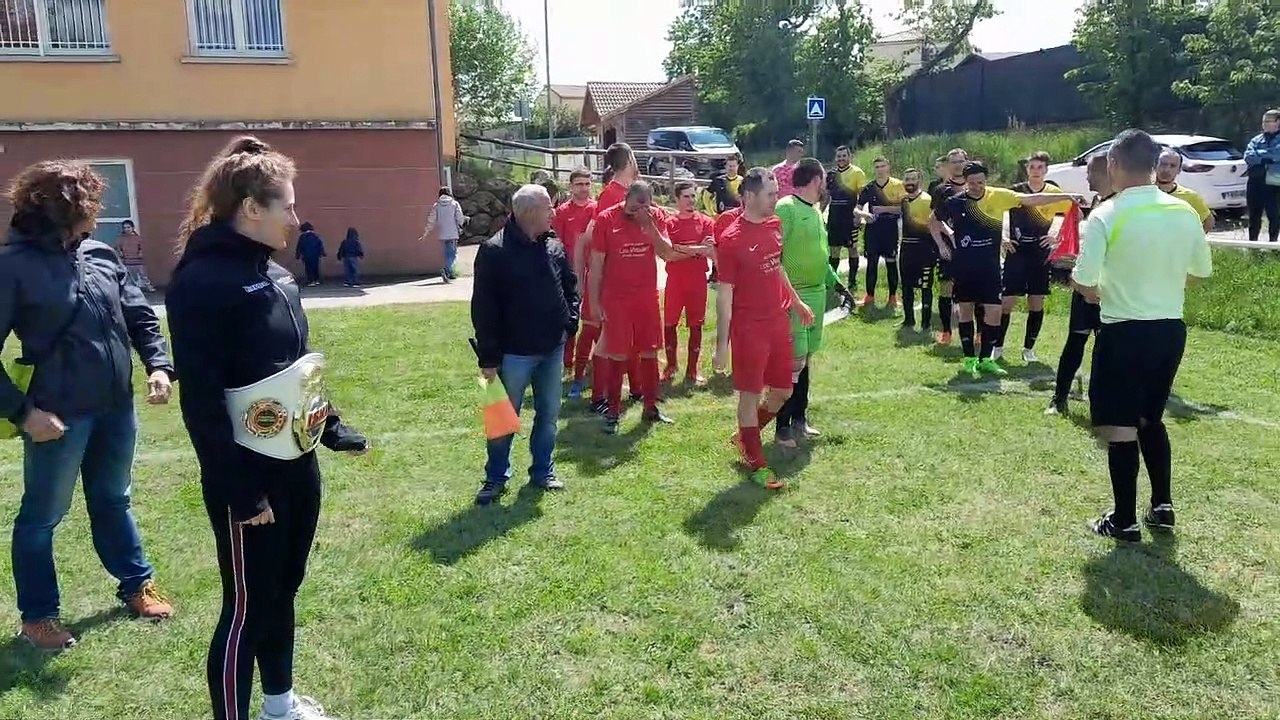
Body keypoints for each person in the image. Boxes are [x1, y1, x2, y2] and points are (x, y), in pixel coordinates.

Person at [166, 136, 369, 720]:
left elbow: (294, 373)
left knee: (283, 590)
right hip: (246, 477)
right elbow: (201, 403)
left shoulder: (277, 277)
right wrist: (239, 491)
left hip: (296, 466)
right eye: (287, 205)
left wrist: (329, 426)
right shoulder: (201, 283)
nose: (297, 217)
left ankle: (280, 704)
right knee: (247, 605)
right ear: (252, 208)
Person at [0, 159, 176, 651]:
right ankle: (38, 616)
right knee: (42, 517)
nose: (98, 216)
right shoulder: (11, 267)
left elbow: (139, 314)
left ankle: (137, 584)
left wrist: (158, 365)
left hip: (116, 407)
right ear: (65, 210)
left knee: (113, 498)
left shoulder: (101, 254)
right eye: (91, 205)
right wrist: (23, 414)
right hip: (56, 418)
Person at [1071, 129, 1212, 542]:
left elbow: (1084, 279)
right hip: (1170, 330)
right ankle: (1163, 505)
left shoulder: (1108, 214)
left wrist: (1104, 289)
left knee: (1119, 426)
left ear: (1113, 164)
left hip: (1123, 331)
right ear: (1154, 165)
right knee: (1151, 416)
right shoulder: (1184, 212)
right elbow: (1199, 274)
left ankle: (1125, 520)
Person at [471, 184, 578, 504]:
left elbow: (570, 285)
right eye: (549, 207)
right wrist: (488, 359)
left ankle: (543, 471)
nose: (554, 212)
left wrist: (570, 321)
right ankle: (495, 477)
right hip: (513, 353)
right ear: (531, 213)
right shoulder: (494, 251)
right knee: (502, 417)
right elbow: (483, 308)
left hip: (552, 348)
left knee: (548, 416)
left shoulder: (554, 245)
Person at [713, 168, 815, 490]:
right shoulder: (731, 240)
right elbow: (724, 297)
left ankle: (746, 436)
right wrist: (721, 345)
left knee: (783, 390)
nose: (776, 198)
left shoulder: (775, 225)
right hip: (749, 328)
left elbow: (777, 267)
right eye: (770, 194)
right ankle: (756, 461)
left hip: (777, 320)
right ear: (749, 197)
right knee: (750, 395)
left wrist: (796, 302)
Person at [932, 161, 1083, 378]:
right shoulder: (955, 202)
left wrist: (1065, 196)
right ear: (966, 182)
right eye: (973, 183)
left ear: (987, 180)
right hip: (964, 267)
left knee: (993, 311)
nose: (977, 186)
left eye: (981, 182)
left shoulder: (998, 196)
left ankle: (986, 359)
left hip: (990, 267)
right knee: (966, 311)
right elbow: (933, 221)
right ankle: (969, 359)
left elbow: (1031, 199)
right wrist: (946, 238)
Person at [589, 182, 701, 432]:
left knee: (650, 351)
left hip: (646, 296)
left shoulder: (655, 217)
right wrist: (595, 302)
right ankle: (613, 411)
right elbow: (596, 265)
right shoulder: (607, 219)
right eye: (633, 204)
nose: (637, 210)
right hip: (616, 298)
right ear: (626, 198)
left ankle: (651, 407)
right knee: (618, 353)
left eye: (643, 205)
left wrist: (649, 226)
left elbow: (668, 253)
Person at [773, 159, 852, 447]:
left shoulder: (816, 211)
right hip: (793, 297)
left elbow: (820, 255)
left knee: (806, 359)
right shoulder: (786, 208)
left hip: (817, 295)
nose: (825, 184)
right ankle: (781, 425)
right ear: (816, 179)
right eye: (823, 180)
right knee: (793, 360)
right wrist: (787, 295)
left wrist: (836, 284)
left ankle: (800, 418)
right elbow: (774, 256)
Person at [1047, 155, 1113, 416]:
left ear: (1107, 172)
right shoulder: (1098, 202)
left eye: (1090, 172)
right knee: (1075, 342)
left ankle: (1103, 402)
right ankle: (1059, 397)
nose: (1086, 177)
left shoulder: (1118, 206)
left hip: (1108, 291)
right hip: (1084, 288)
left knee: (1106, 348)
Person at [995, 151, 1073, 363]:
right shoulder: (1017, 192)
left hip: (1040, 253)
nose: (1036, 171)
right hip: (1016, 251)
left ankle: (1028, 349)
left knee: (1036, 302)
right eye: (1032, 167)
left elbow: (1066, 216)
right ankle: (998, 347)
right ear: (1026, 169)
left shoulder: (1054, 193)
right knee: (1007, 301)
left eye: (1040, 167)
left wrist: (1055, 235)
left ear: (1046, 170)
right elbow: (1002, 214)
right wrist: (1003, 237)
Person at [587, 143, 645, 414]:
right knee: (609, 340)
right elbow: (601, 240)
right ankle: (600, 395)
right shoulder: (611, 194)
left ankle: (636, 388)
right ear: (629, 161)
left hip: (633, 280)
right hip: (615, 282)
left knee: (630, 337)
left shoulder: (627, 192)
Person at [662, 180, 716, 385]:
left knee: (696, 325)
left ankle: (692, 369)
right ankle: (671, 365)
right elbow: (668, 253)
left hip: (697, 281)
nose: (691, 200)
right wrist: (696, 250)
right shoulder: (670, 224)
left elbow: (709, 251)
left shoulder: (705, 222)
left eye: (693, 196)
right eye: (686, 196)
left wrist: (681, 249)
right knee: (669, 324)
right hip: (675, 280)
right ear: (677, 199)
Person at [555, 168, 597, 398]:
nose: (583, 187)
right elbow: (557, 245)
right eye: (579, 184)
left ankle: (592, 362)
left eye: (587, 183)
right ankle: (567, 362)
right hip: (568, 274)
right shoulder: (562, 212)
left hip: (594, 275)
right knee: (569, 319)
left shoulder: (597, 209)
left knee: (593, 321)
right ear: (570, 187)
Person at [927, 148, 969, 344]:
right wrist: (942, 242)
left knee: (974, 289)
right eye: (954, 162)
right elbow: (933, 220)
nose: (958, 165)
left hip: (974, 246)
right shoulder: (941, 190)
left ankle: (977, 334)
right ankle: (946, 332)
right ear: (948, 165)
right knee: (946, 287)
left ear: (967, 162)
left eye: (961, 161)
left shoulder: (976, 186)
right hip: (949, 247)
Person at [856, 157, 906, 310]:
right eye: (877, 166)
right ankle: (869, 296)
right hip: (873, 231)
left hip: (890, 230)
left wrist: (883, 209)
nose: (879, 169)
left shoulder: (898, 185)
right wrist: (865, 216)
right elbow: (856, 208)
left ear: (888, 167)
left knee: (891, 263)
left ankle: (892, 297)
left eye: (882, 166)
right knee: (872, 264)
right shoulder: (869, 187)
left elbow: (903, 209)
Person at [898, 168, 936, 331]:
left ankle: (926, 323)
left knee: (926, 287)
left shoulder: (927, 200)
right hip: (906, 248)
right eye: (907, 179)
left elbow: (934, 225)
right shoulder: (904, 200)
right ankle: (908, 320)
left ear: (919, 181)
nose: (910, 182)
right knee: (906, 286)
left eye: (913, 179)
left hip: (924, 250)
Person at [825, 145, 867, 283]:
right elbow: (826, 196)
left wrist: (860, 216)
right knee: (834, 250)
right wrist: (820, 213)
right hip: (834, 216)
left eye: (844, 156)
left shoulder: (857, 172)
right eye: (839, 156)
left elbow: (863, 197)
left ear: (850, 157)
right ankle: (834, 282)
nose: (841, 159)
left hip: (850, 216)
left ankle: (852, 281)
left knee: (852, 249)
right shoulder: (831, 174)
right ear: (835, 158)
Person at [699, 152, 743, 285]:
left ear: (737, 166)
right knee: (718, 245)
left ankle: (737, 272)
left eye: (734, 166)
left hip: (738, 219)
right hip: (721, 219)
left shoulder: (742, 181)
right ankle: (715, 273)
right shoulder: (718, 181)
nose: (731, 168)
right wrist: (711, 212)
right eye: (729, 166)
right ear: (726, 166)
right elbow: (706, 195)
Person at [1156, 148, 1214, 234]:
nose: (1166, 169)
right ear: (1155, 166)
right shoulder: (1143, 192)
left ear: (1179, 170)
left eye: (1172, 166)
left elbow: (1209, 222)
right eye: (1163, 164)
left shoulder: (1190, 197)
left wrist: (1194, 241)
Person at [1243, 108, 1280, 243]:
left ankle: (1273, 244)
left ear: (1278, 122)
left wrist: (1261, 155)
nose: (1264, 124)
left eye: (1268, 121)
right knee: (1254, 215)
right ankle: (1253, 245)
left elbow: (1277, 153)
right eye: (1263, 121)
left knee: (1274, 215)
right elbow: (1248, 156)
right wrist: (1267, 158)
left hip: (1274, 182)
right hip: (1255, 181)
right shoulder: (1256, 139)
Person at [422, 187, 468, 284]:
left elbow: (431, 219)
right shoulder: (454, 204)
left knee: (447, 253)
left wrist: (426, 233)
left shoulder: (436, 205)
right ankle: (446, 271)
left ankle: (449, 273)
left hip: (443, 233)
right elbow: (459, 218)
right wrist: (464, 221)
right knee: (453, 254)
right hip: (453, 232)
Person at [117, 219, 155, 292]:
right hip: (127, 260)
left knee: (143, 274)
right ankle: (133, 289)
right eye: (125, 228)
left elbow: (142, 247)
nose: (127, 229)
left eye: (128, 227)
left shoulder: (138, 238)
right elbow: (118, 248)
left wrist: (140, 253)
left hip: (138, 260)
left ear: (132, 228)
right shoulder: (121, 239)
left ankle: (148, 286)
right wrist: (121, 254)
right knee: (130, 276)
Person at [294, 222, 325, 286]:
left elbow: (299, 246)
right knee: (315, 267)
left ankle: (311, 280)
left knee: (308, 268)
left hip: (306, 255)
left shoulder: (302, 237)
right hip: (315, 255)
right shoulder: (315, 236)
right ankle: (316, 280)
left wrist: (298, 255)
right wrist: (322, 253)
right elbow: (320, 245)